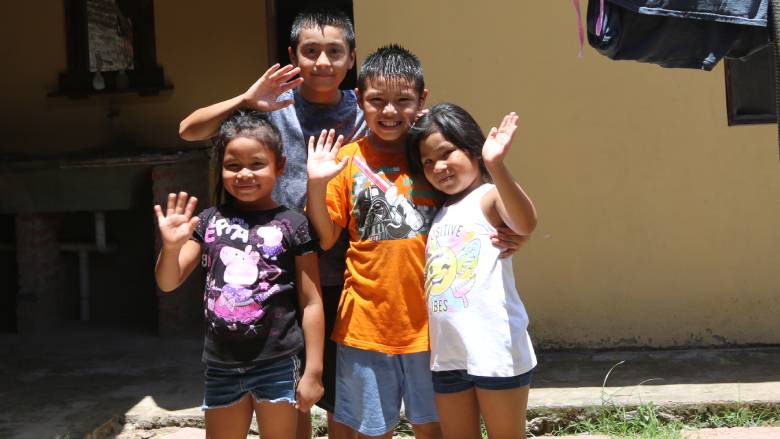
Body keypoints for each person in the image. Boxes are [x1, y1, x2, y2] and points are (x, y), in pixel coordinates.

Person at [178, 10, 363, 439]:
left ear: (351, 58)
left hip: (343, 270)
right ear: (292, 56)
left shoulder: (361, 111)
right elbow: (189, 130)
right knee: (289, 394)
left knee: (337, 392)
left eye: (334, 52)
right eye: (310, 51)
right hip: (276, 276)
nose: (322, 62)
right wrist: (245, 100)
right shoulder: (273, 107)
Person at [155, 110, 325, 439]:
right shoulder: (206, 222)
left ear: (280, 166)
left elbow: (312, 302)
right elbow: (167, 281)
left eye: (256, 164)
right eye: (233, 166)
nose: (244, 174)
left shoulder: (294, 224)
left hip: (277, 360)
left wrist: (314, 370)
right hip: (221, 364)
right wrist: (172, 247)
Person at [305, 44, 443, 439]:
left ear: (422, 100)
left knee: (434, 427)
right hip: (364, 324)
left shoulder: (433, 158)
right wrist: (317, 186)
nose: (389, 112)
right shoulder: (346, 161)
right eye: (376, 100)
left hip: (433, 327)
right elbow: (328, 237)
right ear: (360, 100)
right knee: (370, 430)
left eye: (403, 101)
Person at [406, 104, 538, 439]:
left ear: (473, 148)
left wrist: (497, 164)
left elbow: (525, 222)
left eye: (447, 152)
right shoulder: (438, 212)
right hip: (449, 355)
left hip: (496, 352)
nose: (439, 166)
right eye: (427, 161)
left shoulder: (488, 197)